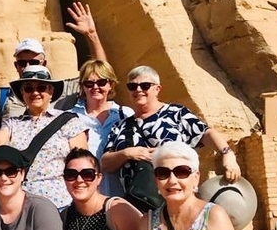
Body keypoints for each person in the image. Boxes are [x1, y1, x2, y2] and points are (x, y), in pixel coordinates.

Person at [101, 65, 241, 197]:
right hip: (137, 203)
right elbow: (105, 163)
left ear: (157, 89)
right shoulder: (121, 126)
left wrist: (227, 154)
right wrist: (128, 153)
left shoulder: (175, 114)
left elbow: (205, 133)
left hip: (176, 196)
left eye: (145, 86)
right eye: (132, 86)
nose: (138, 90)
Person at [0, 65, 88, 209]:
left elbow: (82, 163)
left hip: (59, 203)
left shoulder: (69, 121)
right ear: (22, 93)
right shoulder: (13, 123)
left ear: (51, 91)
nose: (35, 92)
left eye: (41, 87)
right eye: (28, 88)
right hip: (19, 204)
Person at [0, 2, 108, 120]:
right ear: (16, 66)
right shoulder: (4, 97)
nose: (28, 66)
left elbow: (101, 72)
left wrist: (91, 35)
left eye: (34, 62)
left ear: (44, 63)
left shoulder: (64, 90)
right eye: (22, 63)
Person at [69, 60, 133, 196]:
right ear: (82, 86)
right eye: (89, 83)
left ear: (111, 84)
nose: (95, 87)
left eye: (102, 82)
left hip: (123, 195)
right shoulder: (70, 118)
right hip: (85, 195)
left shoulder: (125, 115)